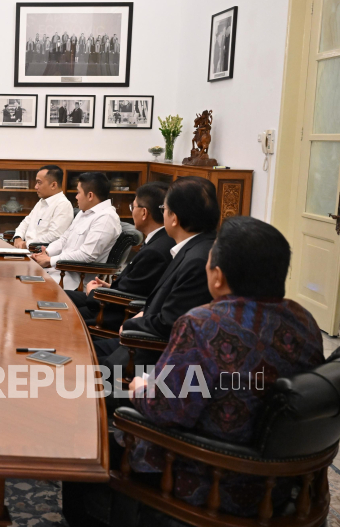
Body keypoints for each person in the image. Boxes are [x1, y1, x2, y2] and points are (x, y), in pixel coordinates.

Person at [61, 217, 324, 525]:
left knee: (87, 433)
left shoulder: (204, 324)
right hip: (279, 481)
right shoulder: (304, 321)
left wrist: (140, 391)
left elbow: (165, 411)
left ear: (218, 277)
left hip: (206, 472)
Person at [94, 176, 220, 373]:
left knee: (74, 370)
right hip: (138, 339)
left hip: (148, 354)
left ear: (174, 217)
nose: (164, 216)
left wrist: (132, 324)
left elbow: (170, 324)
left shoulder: (198, 260)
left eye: (165, 210)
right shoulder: (192, 247)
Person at [65, 182, 174, 330]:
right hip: (111, 299)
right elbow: (137, 288)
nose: (131, 211)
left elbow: (136, 298)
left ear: (144, 213)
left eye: (133, 207)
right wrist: (109, 287)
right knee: (58, 296)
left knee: (59, 314)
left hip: (113, 313)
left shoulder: (156, 251)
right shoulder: (158, 240)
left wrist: (95, 294)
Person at [30, 172, 121, 290]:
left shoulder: (106, 218)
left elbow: (87, 255)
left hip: (75, 281)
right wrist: (46, 253)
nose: (76, 196)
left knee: (26, 288)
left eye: (78, 192)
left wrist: (50, 260)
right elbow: (64, 239)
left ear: (90, 196)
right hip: (59, 272)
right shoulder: (84, 212)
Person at [12, 165, 73, 249]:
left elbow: (54, 236)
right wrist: (18, 237)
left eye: (39, 182)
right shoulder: (41, 201)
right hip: (26, 250)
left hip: (40, 253)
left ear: (53, 185)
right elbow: (25, 222)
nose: (35, 187)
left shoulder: (63, 205)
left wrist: (27, 244)